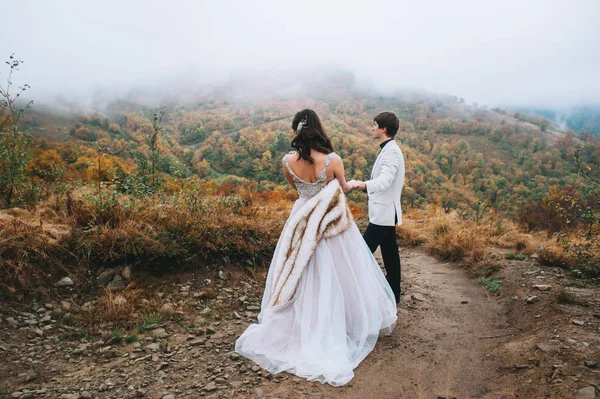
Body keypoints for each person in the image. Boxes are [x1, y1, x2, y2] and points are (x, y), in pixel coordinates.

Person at [235, 109, 397, 387]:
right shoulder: (333, 160)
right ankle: (342, 322)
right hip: (330, 225)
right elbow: (342, 188)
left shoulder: (287, 162)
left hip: (301, 220)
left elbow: (299, 191)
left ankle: (303, 322)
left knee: (300, 271)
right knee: (340, 271)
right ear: (319, 130)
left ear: (297, 131)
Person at [349, 112, 405, 304]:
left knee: (362, 252)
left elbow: (386, 180)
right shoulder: (389, 149)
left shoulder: (391, 152)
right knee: (390, 252)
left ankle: (356, 292)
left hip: (384, 212)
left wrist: (363, 185)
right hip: (386, 211)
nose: (372, 128)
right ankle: (394, 292)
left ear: (384, 129)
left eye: (375, 125)